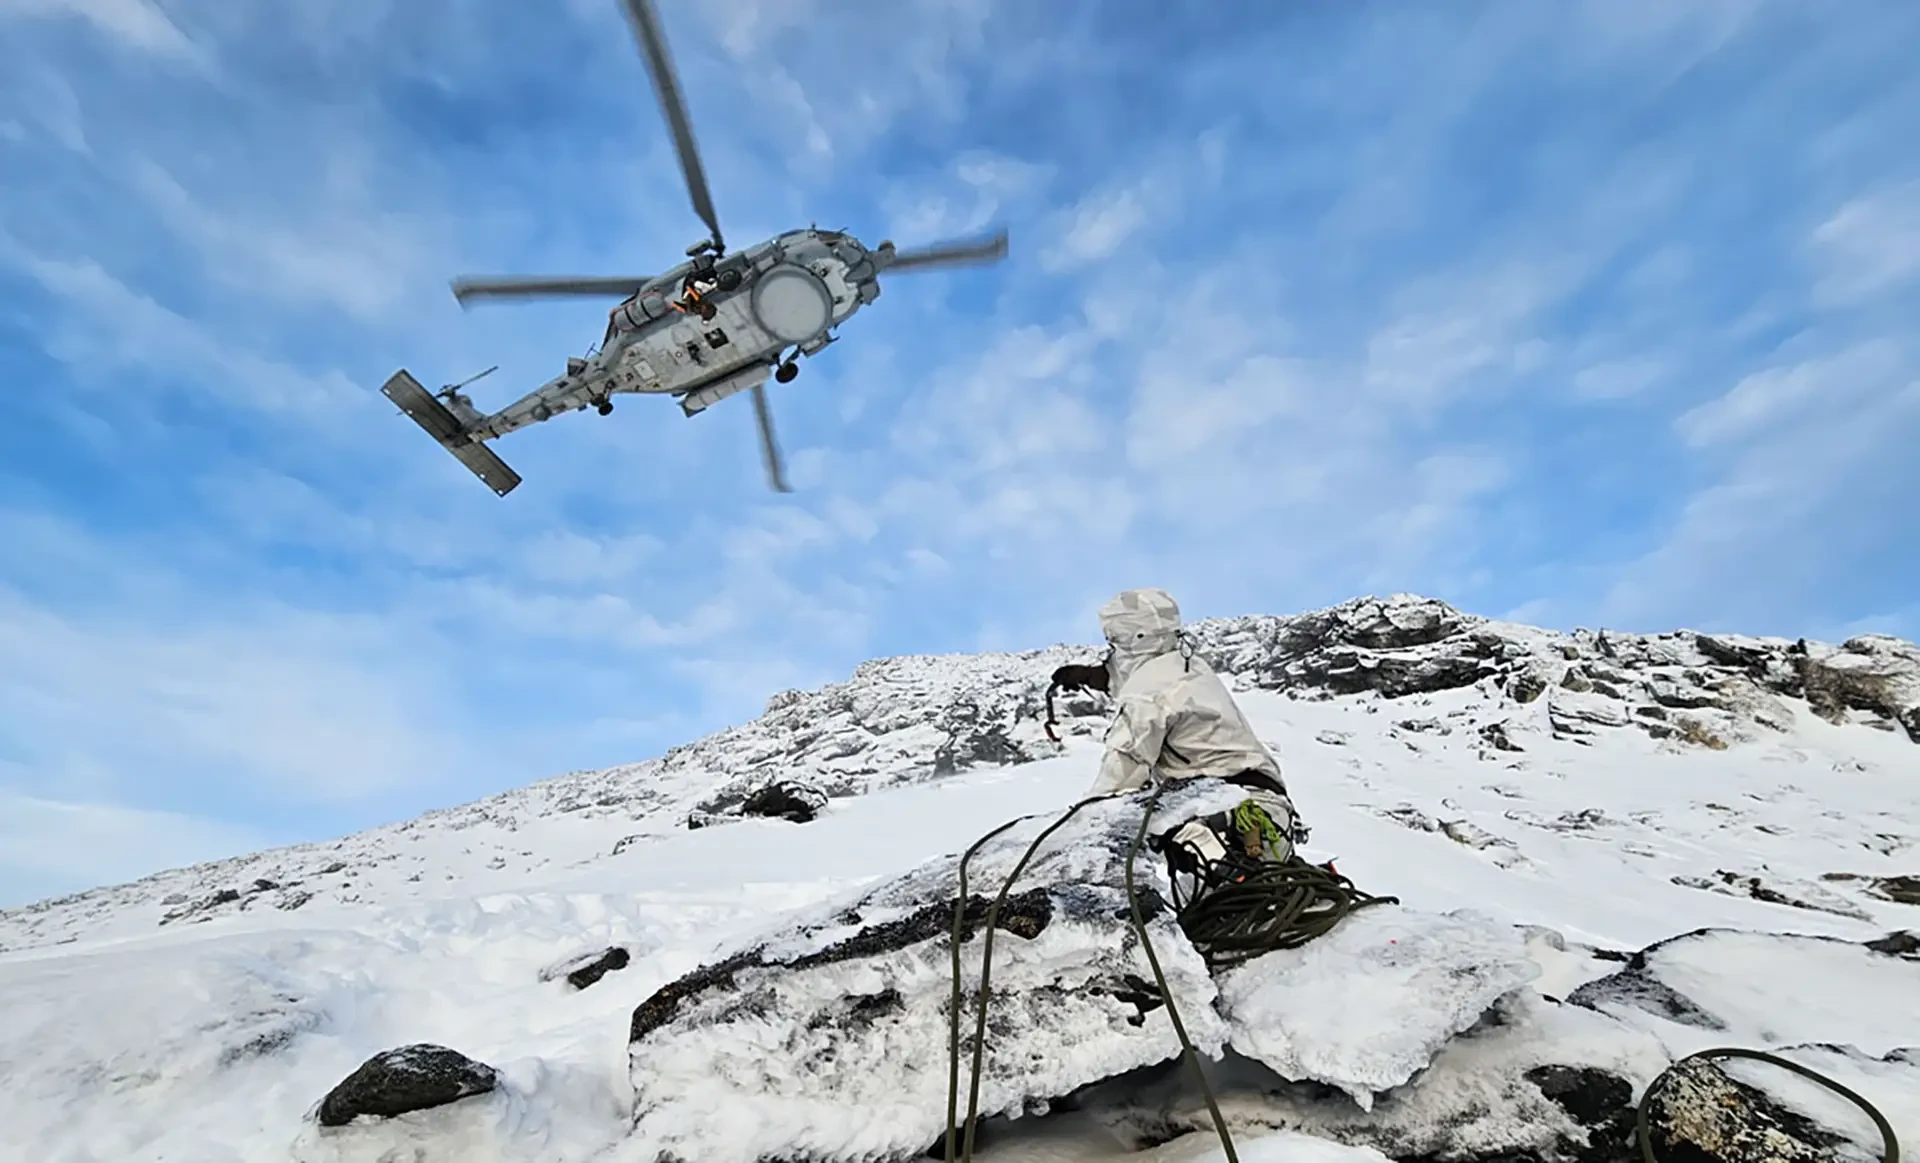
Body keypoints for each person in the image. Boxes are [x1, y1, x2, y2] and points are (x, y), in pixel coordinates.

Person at [1052, 587, 1305, 886]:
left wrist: (1077, 829)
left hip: (1225, 824)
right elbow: (1140, 670)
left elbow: (1120, 775)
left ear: (1132, 637)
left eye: (1114, 640)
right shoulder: (1188, 664)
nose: (1112, 649)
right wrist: (1091, 676)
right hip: (1267, 812)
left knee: (1142, 826)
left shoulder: (1146, 695)